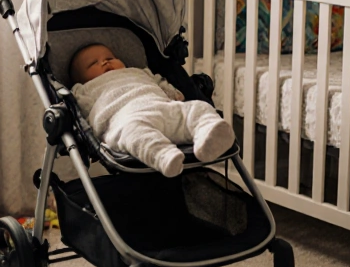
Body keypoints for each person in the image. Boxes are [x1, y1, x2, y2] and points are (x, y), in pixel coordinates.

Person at [68, 43, 234, 177]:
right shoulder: (84, 89)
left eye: (110, 58)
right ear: (80, 79)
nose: (104, 62)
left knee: (198, 107)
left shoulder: (139, 72)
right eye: (93, 64)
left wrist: (174, 94)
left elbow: (160, 82)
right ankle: (163, 155)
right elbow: (81, 112)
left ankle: (208, 135)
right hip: (125, 119)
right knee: (133, 134)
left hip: (162, 107)